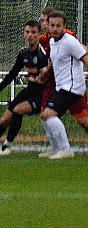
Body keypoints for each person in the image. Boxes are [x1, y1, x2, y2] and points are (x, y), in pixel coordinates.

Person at [0, 20, 47, 156]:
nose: (30, 35)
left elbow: (49, 76)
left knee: (18, 110)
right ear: (24, 34)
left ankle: (7, 145)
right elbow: (12, 74)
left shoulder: (43, 54)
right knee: (5, 119)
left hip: (43, 93)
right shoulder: (23, 53)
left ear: (39, 35)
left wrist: (39, 78)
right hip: (29, 91)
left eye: (34, 32)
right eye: (27, 32)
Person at [40, 10, 88, 159]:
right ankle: (56, 148)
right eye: (52, 25)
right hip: (61, 86)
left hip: (73, 87)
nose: (55, 29)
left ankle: (66, 150)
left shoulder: (70, 41)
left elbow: (85, 58)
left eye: (58, 26)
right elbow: (54, 63)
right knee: (45, 116)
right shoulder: (52, 42)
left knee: (48, 114)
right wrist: (45, 73)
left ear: (64, 26)